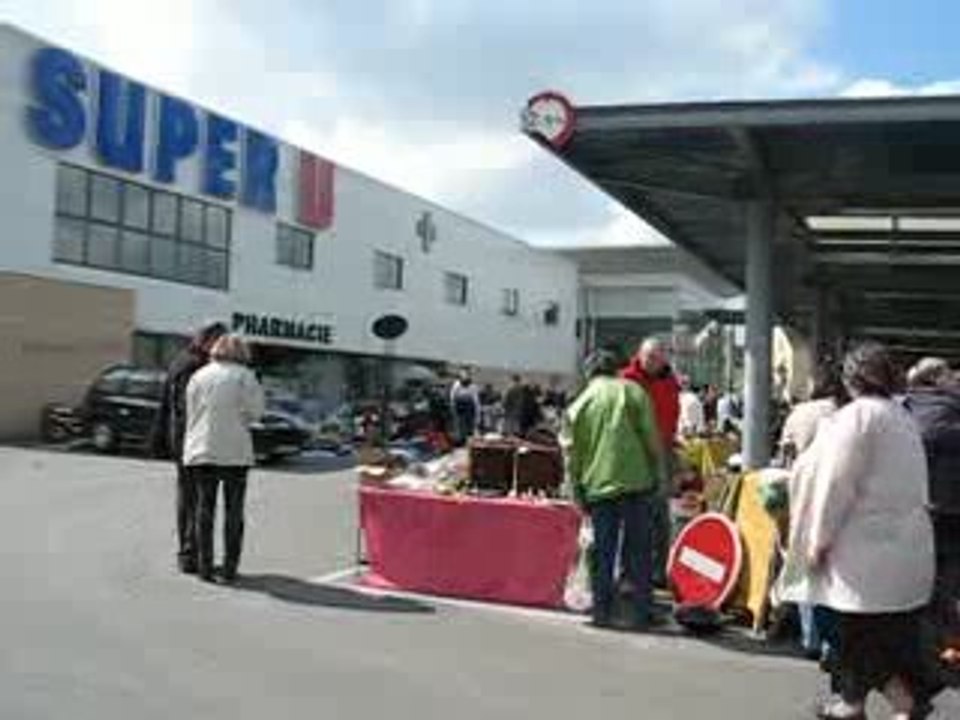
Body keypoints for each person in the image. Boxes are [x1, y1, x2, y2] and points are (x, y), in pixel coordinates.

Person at [781, 343, 935, 720]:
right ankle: (854, 703)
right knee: (879, 633)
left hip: (861, 548)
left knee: (843, 628)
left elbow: (836, 484)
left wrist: (819, 539)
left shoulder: (856, 418)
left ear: (852, 378)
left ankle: (903, 702)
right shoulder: (902, 418)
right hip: (904, 547)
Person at [563, 350, 663, 630]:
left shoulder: (580, 403)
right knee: (639, 551)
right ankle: (641, 612)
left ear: (589, 373)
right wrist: (657, 475)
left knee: (602, 552)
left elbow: (571, 454)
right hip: (637, 483)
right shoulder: (634, 392)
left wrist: (576, 492)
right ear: (616, 370)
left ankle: (601, 613)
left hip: (597, 487)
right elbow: (651, 438)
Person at [184, 335, 265, 584]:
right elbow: (256, 413)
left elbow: (191, 410)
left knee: (203, 510)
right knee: (234, 511)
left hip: (201, 448)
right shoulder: (245, 377)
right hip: (235, 451)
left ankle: (205, 567)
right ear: (242, 353)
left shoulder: (198, 376)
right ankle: (230, 568)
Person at [151, 321, 228, 575]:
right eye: (219, 341)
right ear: (207, 340)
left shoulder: (181, 361)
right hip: (191, 440)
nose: (221, 347)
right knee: (194, 499)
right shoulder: (195, 366)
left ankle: (189, 553)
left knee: (189, 497)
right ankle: (190, 554)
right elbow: (187, 408)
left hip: (181, 439)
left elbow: (166, 405)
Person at [904, 357, 960, 668]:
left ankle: (917, 646)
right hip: (951, 513)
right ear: (936, 379)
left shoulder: (905, 409)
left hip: (914, 510)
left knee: (918, 580)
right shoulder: (949, 410)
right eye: (950, 373)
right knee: (947, 582)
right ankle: (947, 644)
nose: (955, 377)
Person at [620, 337, 681, 587]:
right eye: (650, 357)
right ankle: (629, 571)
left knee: (659, 515)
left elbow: (672, 415)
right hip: (634, 452)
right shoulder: (627, 379)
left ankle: (658, 572)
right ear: (640, 356)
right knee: (633, 512)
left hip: (663, 451)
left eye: (659, 357)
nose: (654, 362)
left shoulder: (670, 381)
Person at [778, 364, 849, 468]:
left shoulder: (798, 412)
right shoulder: (845, 413)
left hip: (804, 474)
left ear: (813, 386)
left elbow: (786, 453)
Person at [449, 371, 481, 444]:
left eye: (466, 382)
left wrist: (477, 414)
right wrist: (453, 407)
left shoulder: (473, 387)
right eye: (463, 381)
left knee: (469, 425)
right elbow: (452, 397)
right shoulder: (456, 385)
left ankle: (468, 438)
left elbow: (476, 401)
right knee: (459, 424)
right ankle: (460, 439)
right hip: (459, 408)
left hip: (469, 408)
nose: (465, 384)